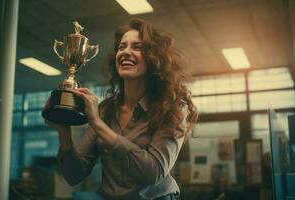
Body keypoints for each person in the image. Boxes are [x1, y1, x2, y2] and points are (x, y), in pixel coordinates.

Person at [44, 18, 198, 200]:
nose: (125, 52)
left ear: (154, 58)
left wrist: (98, 124)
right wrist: (63, 128)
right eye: (121, 47)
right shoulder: (105, 110)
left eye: (137, 47)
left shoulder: (174, 108)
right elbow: (73, 175)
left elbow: (154, 173)